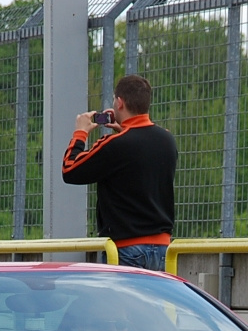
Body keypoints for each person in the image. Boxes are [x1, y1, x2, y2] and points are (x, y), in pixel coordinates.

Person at [61, 74, 177, 271]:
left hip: (126, 250)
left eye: (115, 99)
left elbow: (70, 170)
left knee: (119, 303)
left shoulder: (116, 145)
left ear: (120, 102)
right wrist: (124, 130)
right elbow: (139, 151)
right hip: (163, 249)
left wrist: (81, 132)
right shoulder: (167, 139)